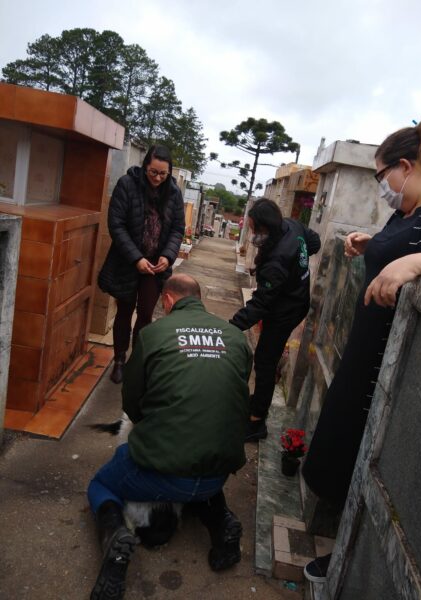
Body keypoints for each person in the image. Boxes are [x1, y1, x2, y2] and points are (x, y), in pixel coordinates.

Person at [302, 117, 421, 583]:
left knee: (379, 465)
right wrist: (374, 244)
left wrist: (416, 261)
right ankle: (344, 543)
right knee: (344, 452)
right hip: (371, 354)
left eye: (380, 175)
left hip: (410, 369)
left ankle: (349, 558)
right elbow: (401, 239)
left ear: (404, 166)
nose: (381, 186)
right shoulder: (413, 204)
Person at [88, 273, 252, 600]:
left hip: (162, 473)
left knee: (101, 484)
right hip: (216, 475)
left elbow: (132, 404)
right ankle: (221, 522)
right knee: (198, 464)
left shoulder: (153, 334)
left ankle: (115, 538)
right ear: (200, 299)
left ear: (167, 300)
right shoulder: (236, 338)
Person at [230, 198, 321, 442]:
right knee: (265, 358)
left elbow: (261, 303)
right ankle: (258, 402)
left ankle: (257, 420)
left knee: (265, 361)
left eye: (253, 230)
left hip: (284, 311)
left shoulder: (276, 260)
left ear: (265, 227)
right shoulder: (292, 225)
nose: (251, 235)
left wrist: (231, 326)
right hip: (297, 299)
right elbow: (314, 242)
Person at [98, 144, 185, 384]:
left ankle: (137, 362)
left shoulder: (174, 193)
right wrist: (136, 258)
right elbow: (116, 224)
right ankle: (119, 360)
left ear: (169, 172)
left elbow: (178, 229)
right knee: (124, 310)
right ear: (145, 166)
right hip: (128, 261)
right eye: (153, 172)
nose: (157, 178)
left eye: (162, 174)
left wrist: (168, 255)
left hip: (156, 265)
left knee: (146, 313)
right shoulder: (127, 185)